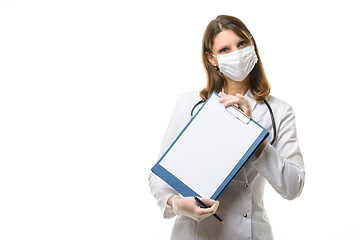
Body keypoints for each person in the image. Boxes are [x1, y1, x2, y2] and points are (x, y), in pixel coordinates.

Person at [148, 15, 305, 240]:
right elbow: (160, 175)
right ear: (211, 59)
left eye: (242, 44)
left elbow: (293, 187)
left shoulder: (279, 111)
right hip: (194, 233)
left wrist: (255, 136)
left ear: (253, 45)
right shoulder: (189, 104)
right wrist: (179, 205)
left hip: (250, 232)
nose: (236, 53)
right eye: (224, 50)